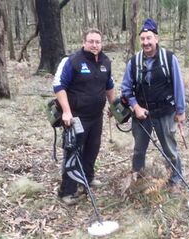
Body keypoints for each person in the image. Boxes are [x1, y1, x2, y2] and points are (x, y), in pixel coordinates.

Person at [53, 28, 115, 205]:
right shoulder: (73, 61)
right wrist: (66, 111)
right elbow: (59, 86)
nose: (94, 45)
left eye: (97, 41)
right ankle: (67, 192)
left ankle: (87, 179)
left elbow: (109, 85)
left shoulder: (105, 61)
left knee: (92, 148)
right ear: (84, 42)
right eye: (91, 41)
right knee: (73, 151)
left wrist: (113, 106)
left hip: (97, 116)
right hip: (76, 117)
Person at [121, 18, 186, 187]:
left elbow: (178, 86)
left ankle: (175, 180)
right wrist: (135, 107)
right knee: (139, 149)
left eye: (149, 38)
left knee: (169, 148)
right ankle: (137, 177)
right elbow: (126, 89)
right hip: (141, 114)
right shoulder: (134, 62)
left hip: (165, 112)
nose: (145, 42)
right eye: (142, 39)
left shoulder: (169, 59)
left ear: (156, 39)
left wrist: (180, 111)